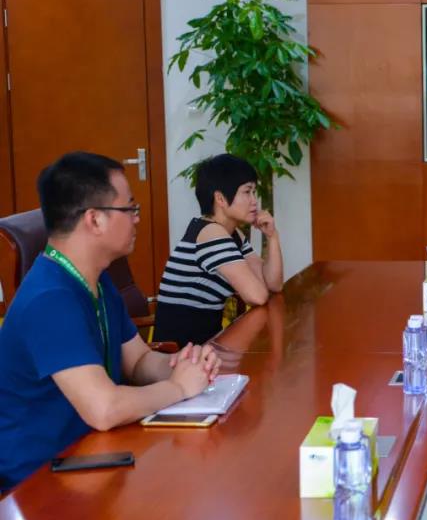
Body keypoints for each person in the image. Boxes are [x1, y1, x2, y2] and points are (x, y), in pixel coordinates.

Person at [0, 152, 221, 489]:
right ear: (95, 220)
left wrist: (182, 365)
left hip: (93, 456)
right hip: (38, 483)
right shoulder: (49, 298)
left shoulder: (95, 280)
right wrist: (177, 388)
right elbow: (103, 409)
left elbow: (138, 361)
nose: (136, 218)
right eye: (129, 208)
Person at [154, 154, 283, 346]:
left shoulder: (232, 233)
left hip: (205, 345)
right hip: (180, 352)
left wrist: (272, 236)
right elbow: (257, 296)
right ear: (220, 198)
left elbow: (273, 284)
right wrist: (258, 284)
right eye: (247, 192)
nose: (254, 201)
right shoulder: (211, 234)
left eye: (254, 192)